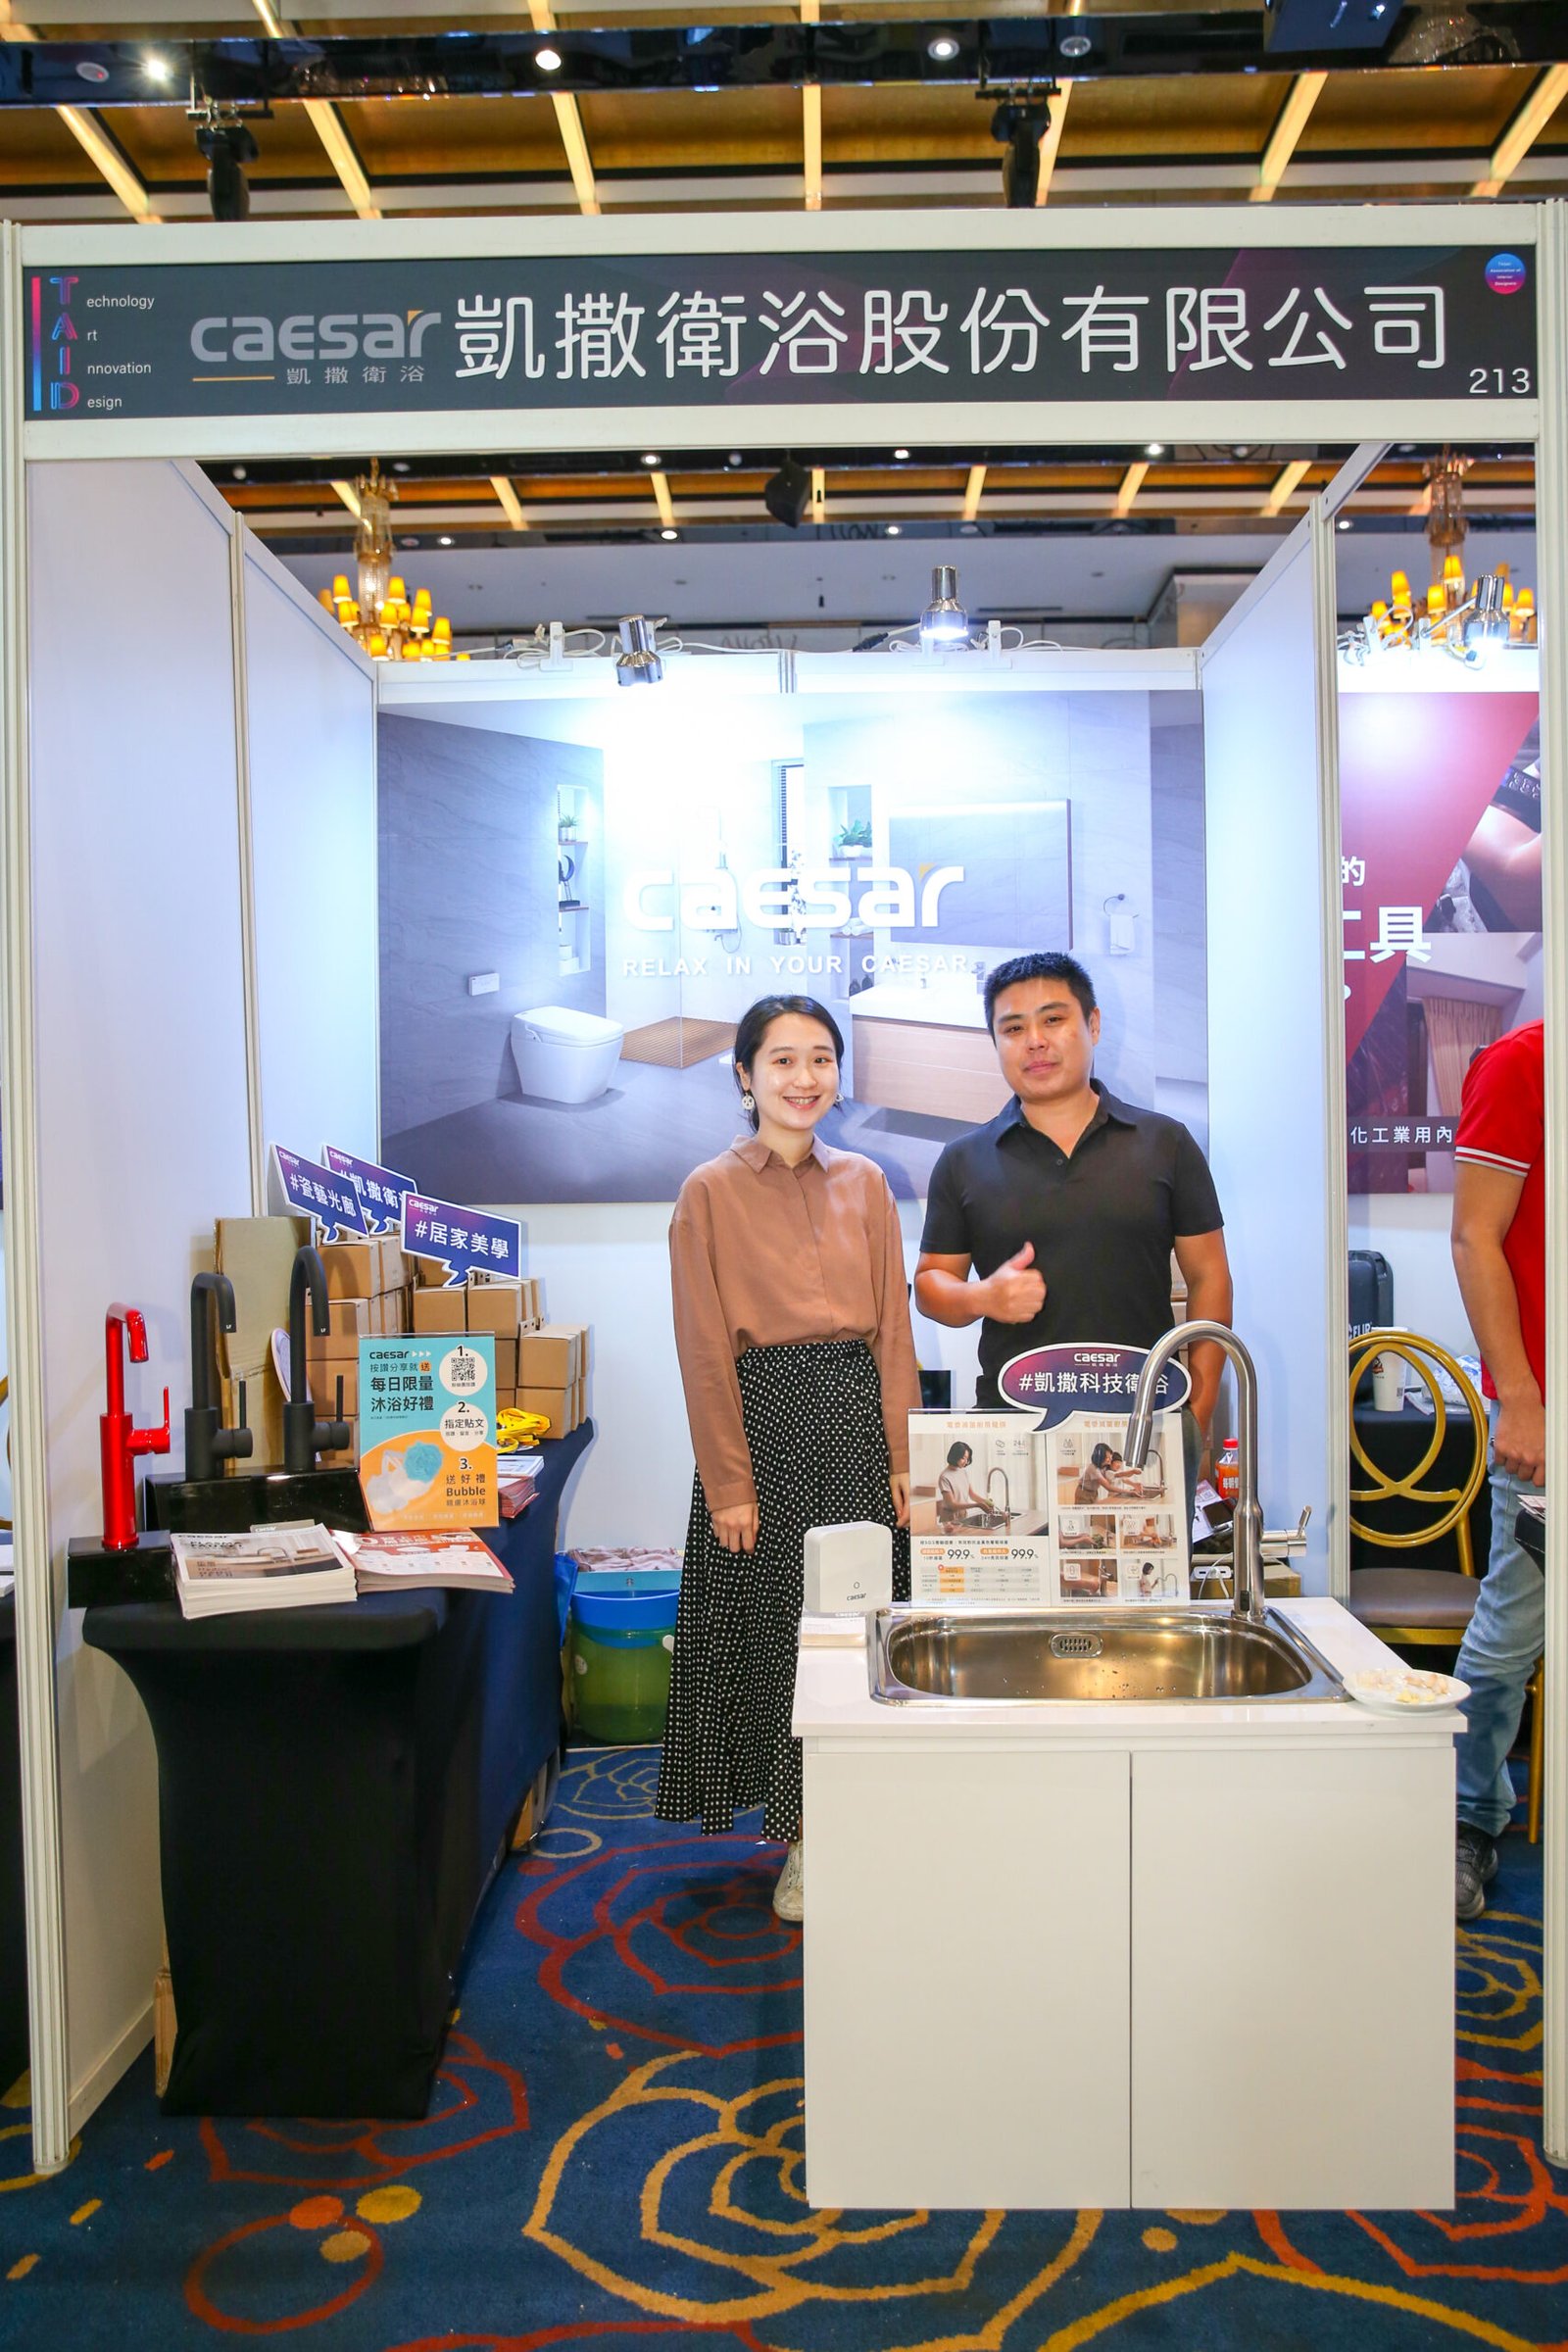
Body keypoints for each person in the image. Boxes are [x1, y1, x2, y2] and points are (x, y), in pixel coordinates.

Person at [656, 994, 920, 1923]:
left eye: (820, 1059)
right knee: (781, 1639)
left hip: (857, 1427)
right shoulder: (707, 1192)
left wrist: (906, 1456)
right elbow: (702, 1351)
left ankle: (868, 1815)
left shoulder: (868, 1183)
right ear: (745, 1075)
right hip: (762, 1433)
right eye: (782, 1060)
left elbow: (894, 1331)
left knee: (868, 1627)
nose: (804, 1078)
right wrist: (729, 1483)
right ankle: (804, 1838)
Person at [914, 953, 1233, 1485]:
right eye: (1013, 1028)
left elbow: (1210, 1276)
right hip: (1014, 1427)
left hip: (1141, 1422)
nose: (1035, 1041)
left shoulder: (1166, 1143)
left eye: (1053, 1019)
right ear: (995, 1042)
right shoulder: (964, 1159)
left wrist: (1198, 1409)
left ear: (1093, 1025)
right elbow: (930, 1285)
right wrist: (982, 1297)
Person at [1449, 1018, 1545, 1922]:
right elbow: (1475, 1237)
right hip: (1547, 1413)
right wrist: (1518, 1395)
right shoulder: (1522, 1064)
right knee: (1511, 1634)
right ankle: (1470, 1820)